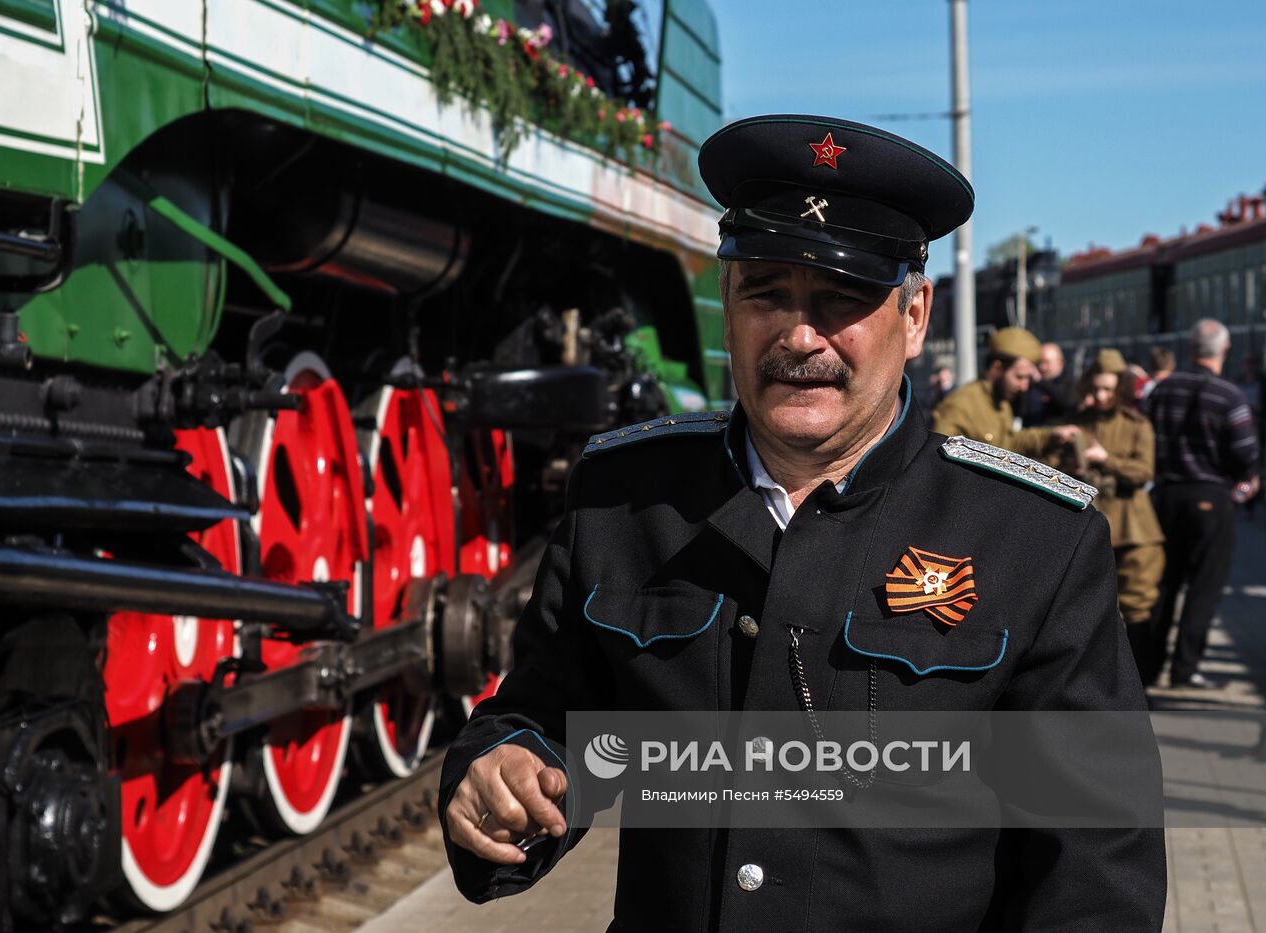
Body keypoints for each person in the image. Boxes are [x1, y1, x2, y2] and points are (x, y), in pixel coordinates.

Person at [438, 114, 1165, 931]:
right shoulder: (623, 497)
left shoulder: (1034, 538)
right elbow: (549, 719)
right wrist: (501, 774)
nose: (798, 335)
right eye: (767, 294)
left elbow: (1097, 866)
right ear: (728, 301)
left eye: (842, 299)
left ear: (915, 316)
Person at [1140, 319, 1260, 688]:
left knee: (1165, 584)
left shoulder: (1161, 390)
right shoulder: (1230, 396)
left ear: (1190, 350)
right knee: (1205, 587)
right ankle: (1186, 667)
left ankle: (1148, 666)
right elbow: (1245, 453)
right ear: (1224, 350)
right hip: (1212, 497)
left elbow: (1147, 438)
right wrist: (1246, 482)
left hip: (1165, 496)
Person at [1069, 349, 1165, 636]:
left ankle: (1143, 674)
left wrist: (1105, 458)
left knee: (1139, 605)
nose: (1100, 396)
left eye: (1108, 389)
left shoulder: (1138, 425)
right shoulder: (1080, 423)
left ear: (1121, 389)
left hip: (1133, 525)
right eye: (1095, 388)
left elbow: (1144, 471)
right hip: (1091, 521)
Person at [931, 326, 1078, 456]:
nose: (1024, 386)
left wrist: (1053, 436)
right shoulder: (960, 405)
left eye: (1028, 379)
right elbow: (940, 461)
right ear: (997, 368)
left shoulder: (1001, 403)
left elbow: (1009, 444)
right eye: (1019, 377)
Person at [1021, 342, 1078, 426]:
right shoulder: (1031, 384)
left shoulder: (1070, 382)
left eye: (1047, 362)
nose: (1042, 367)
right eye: (1040, 362)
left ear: (1060, 363)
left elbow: (1067, 403)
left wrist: (1041, 382)